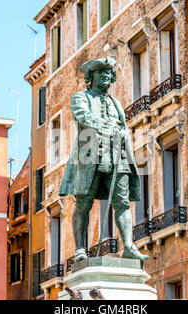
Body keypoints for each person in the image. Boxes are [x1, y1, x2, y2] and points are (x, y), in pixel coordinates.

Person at [59, 56, 149, 262]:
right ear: (92, 76)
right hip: (90, 156)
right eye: (101, 72)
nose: (107, 75)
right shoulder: (81, 97)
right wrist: (106, 127)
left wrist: (124, 133)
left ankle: (128, 246)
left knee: (123, 202)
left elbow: (122, 126)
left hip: (118, 155)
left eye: (109, 72)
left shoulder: (115, 102)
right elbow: (83, 116)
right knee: (83, 203)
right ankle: (81, 249)